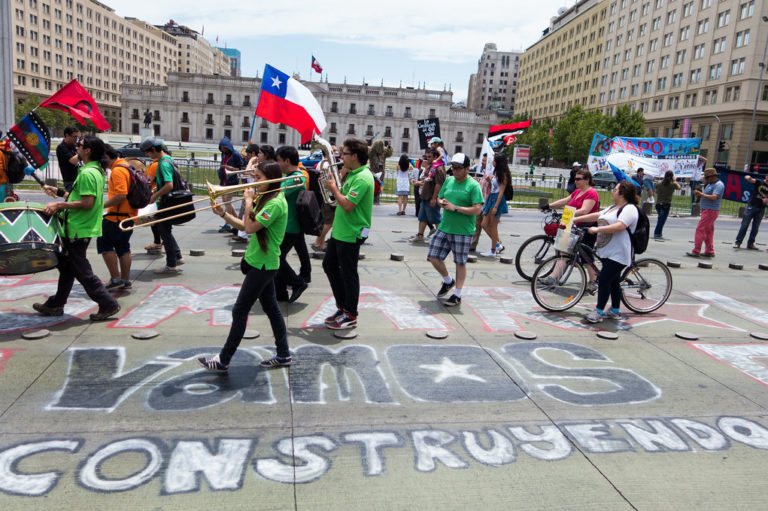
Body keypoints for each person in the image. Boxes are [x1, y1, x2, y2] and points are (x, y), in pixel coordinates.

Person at [198, 161, 292, 372]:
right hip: (260, 262)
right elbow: (245, 226)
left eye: (258, 177)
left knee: (240, 310)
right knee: (272, 309)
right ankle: (284, 354)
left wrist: (248, 201)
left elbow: (249, 228)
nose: (254, 182)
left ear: (272, 179)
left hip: (264, 265)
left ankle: (223, 359)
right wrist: (223, 214)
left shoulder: (275, 203)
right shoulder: (267, 199)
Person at [34, 136, 121, 321]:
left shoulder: (88, 173)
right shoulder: (94, 170)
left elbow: (87, 203)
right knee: (67, 267)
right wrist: (58, 192)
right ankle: (56, 304)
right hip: (79, 228)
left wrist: (58, 206)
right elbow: (79, 197)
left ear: (87, 150)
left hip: (77, 229)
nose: (76, 148)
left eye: (79, 146)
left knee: (82, 270)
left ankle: (108, 303)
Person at [322, 138, 374, 330]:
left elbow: (347, 205)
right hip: (341, 230)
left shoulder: (362, 177)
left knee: (349, 274)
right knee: (329, 265)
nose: (340, 156)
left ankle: (350, 313)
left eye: (344, 153)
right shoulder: (353, 174)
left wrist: (334, 188)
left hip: (352, 232)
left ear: (354, 156)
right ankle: (342, 307)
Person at [573, 180, 639, 324]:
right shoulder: (613, 207)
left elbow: (620, 226)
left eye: (615, 189)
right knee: (613, 281)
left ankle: (598, 311)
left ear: (623, 193)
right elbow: (597, 215)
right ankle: (615, 310)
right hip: (607, 251)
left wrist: (598, 229)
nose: (612, 191)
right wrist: (575, 218)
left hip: (619, 253)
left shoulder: (629, 209)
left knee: (603, 279)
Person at [427, 153, 484, 307]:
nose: (455, 171)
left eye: (459, 168)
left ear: (467, 168)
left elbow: (477, 209)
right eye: (453, 167)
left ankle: (457, 295)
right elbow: (440, 197)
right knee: (433, 256)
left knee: (460, 262)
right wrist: (441, 202)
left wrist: (456, 208)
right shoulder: (449, 180)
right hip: (445, 227)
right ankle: (448, 281)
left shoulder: (473, 185)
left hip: (463, 230)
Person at [543, 167, 601, 291]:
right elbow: (565, 200)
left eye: (578, 179)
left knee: (587, 256)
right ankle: (553, 278)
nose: (575, 181)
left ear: (587, 180)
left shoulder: (591, 193)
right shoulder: (577, 191)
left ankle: (595, 280)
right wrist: (549, 205)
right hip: (573, 226)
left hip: (587, 227)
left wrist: (570, 214)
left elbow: (585, 210)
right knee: (564, 251)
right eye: (575, 178)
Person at [141, 136, 184, 273]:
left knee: (164, 231)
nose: (147, 155)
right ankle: (177, 256)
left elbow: (169, 185)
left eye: (147, 152)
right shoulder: (168, 159)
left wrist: (154, 195)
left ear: (153, 149)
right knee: (165, 230)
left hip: (166, 202)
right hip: (167, 201)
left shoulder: (163, 163)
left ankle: (171, 265)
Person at [98, 145, 138, 291]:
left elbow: (121, 195)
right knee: (123, 247)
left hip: (117, 217)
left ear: (107, 157)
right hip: (129, 216)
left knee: (105, 245)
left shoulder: (118, 171)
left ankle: (116, 279)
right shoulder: (127, 166)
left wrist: (101, 205)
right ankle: (125, 280)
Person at [274, 145, 309, 303]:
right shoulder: (288, 176)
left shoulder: (297, 177)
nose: (277, 164)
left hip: (290, 226)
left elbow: (276, 194)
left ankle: (298, 283)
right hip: (285, 226)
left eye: (278, 161)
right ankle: (280, 294)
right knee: (278, 258)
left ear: (287, 161)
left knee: (276, 258)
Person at [686, 168, 724, 258]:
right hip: (707, 209)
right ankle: (710, 250)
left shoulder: (718, 185)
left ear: (711, 177)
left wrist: (701, 194)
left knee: (700, 229)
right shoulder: (710, 184)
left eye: (706, 178)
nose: (705, 180)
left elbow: (714, 197)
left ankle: (696, 250)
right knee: (708, 231)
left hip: (711, 210)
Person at [409, 148, 445, 243]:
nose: (427, 159)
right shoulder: (431, 167)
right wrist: (419, 182)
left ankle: (442, 238)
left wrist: (434, 198)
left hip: (431, 197)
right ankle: (420, 235)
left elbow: (439, 184)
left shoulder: (439, 168)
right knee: (422, 217)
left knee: (436, 218)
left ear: (436, 157)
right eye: (427, 157)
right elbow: (427, 181)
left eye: (430, 157)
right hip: (425, 196)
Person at [480, 153, 511, 257]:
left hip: (497, 199)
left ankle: (493, 250)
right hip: (491, 197)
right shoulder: (496, 172)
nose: (492, 162)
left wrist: (496, 206)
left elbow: (501, 191)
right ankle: (498, 245)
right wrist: (489, 180)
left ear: (498, 162)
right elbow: (494, 186)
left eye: (494, 160)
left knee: (493, 226)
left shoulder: (504, 174)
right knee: (484, 224)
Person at [217, 136, 245, 234]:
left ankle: (227, 224)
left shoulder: (236, 154)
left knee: (227, 202)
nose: (223, 149)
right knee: (226, 201)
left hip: (232, 181)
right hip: (224, 180)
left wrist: (229, 168)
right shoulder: (223, 155)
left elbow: (240, 168)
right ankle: (237, 221)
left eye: (224, 147)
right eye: (221, 148)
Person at [734, 172, 768, 250]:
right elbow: (751, 180)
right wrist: (748, 177)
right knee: (744, 225)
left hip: (761, 208)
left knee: (755, 227)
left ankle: (750, 244)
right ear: (766, 177)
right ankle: (738, 242)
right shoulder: (759, 182)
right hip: (752, 205)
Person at [470, 153, 493, 252]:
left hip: (488, 204)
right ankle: (472, 245)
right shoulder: (483, 173)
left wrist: (490, 181)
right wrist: (476, 182)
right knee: (476, 225)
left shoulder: (492, 174)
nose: (481, 163)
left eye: (484, 161)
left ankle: (498, 244)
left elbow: (496, 189)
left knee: (487, 226)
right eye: (482, 161)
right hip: (480, 202)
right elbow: (481, 187)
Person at [653, 170, 681, 239]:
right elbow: (679, 188)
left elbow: (656, 192)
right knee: (661, 220)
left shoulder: (659, 183)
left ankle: (659, 233)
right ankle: (657, 233)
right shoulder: (672, 184)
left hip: (658, 203)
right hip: (666, 204)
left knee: (660, 218)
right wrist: (675, 181)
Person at [368, 139, 393, 205]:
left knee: (379, 187)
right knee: (373, 186)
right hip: (373, 172)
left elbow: (389, 152)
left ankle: (376, 200)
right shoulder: (372, 151)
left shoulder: (383, 151)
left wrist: (389, 146)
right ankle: (372, 200)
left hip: (381, 172)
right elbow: (366, 151)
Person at [56, 126, 80, 192]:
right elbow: (73, 160)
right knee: (73, 200)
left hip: (78, 178)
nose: (76, 139)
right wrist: (82, 152)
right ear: (67, 135)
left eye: (77, 137)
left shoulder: (74, 146)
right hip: (70, 180)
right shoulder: (62, 147)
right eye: (74, 136)